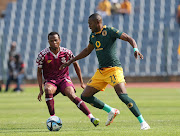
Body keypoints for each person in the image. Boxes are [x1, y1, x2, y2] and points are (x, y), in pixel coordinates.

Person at [60, 13, 150, 130]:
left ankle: (143, 122)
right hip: (101, 72)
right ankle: (111, 111)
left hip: (114, 69)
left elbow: (128, 38)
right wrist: (70, 61)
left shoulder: (109, 31)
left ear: (98, 22)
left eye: (90, 23)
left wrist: (135, 48)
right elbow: (87, 50)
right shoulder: (93, 35)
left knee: (123, 96)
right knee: (85, 96)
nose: (89, 26)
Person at [36, 32, 100, 127]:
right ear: (48, 42)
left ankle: (91, 117)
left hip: (64, 79)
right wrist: (41, 89)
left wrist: (81, 83)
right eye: (51, 41)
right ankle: (53, 117)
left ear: (60, 40)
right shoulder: (43, 54)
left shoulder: (67, 52)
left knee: (71, 94)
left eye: (56, 40)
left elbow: (76, 66)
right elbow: (39, 72)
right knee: (48, 89)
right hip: (51, 80)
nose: (54, 42)